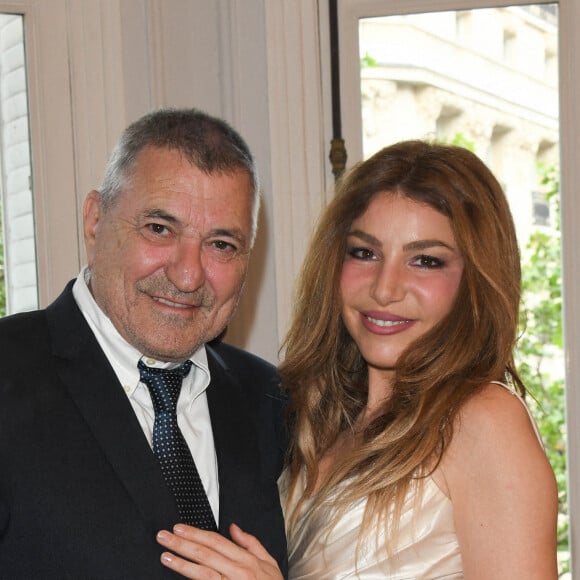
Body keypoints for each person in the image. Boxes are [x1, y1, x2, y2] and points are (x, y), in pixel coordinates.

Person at [155, 140, 558, 579]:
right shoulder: (311, 420)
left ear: (475, 281)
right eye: (365, 253)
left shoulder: (483, 421)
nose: (385, 288)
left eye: (425, 260)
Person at [0, 108, 287, 578]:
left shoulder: (272, 401)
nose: (188, 274)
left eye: (221, 245)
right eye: (160, 229)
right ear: (95, 220)